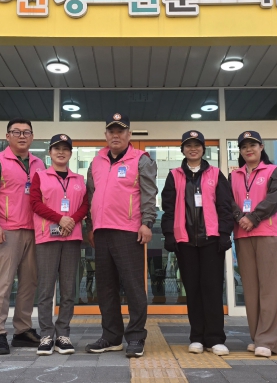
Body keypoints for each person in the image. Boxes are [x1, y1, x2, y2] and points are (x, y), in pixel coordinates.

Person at [85, 113, 158, 358]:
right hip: (101, 231)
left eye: (120, 131)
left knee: (134, 286)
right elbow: (91, 195)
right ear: (106, 134)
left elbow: (149, 193)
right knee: (106, 287)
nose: (115, 135)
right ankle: (111, 336)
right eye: (111, 131)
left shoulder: (141, 159)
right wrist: (91, 225)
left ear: (129, 134)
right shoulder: (96, 161)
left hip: (129, 231)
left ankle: (136, 336)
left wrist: (147, 223)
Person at [161, 131, 234, 356]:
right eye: (188, 145)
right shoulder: (174, 175)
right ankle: (196, 337)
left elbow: (225, 206)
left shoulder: (216, 174)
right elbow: (168, 208)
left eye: (197, 145)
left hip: (212, 241)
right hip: (184, 242)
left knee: (212, 289)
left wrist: (224, 233)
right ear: (182, 150)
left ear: (203, 149)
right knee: (192, 290)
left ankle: (215, 338)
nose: (193, 149)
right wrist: (169, 234)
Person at [0, 118, 45, 355]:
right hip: (7, 230)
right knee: (4, 282)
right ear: (7, 136)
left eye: (26, 132)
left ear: (32, 136)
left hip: (34, 230)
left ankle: (22, 330)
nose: (22, 136)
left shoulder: (39, 163)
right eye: (16, 132)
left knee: (29, 282)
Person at [230, 131, 277, 358]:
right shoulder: (234, 175)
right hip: (242, 235)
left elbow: (275, 199)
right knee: (251, 290)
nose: (248, 149)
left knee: (271, 289)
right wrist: (239, 217)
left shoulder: (274, 171)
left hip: (268, 234)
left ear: (261, 147)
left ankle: (268, 339)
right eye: (244, 146)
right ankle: (257, 337)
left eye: (252, 145)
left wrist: (253, 217)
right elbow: (228, 201)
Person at [31, 134, 89, 355]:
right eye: (57, 149)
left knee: (68, 289)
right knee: (46, 289)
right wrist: (60, 219)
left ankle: (63, 334)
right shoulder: (40, 176)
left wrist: (71, 220)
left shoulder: (79, 179)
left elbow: (85, 205)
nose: (61, 152)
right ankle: (46, 334)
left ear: (71, 153)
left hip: (71, 237)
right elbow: (35, 203)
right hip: (47, 236)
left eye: (65, 149)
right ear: (50, 153)